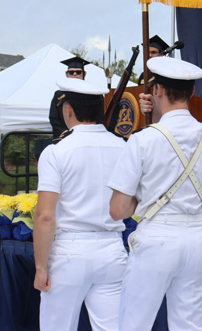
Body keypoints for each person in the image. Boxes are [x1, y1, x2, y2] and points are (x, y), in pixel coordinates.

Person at [108, 57, 202, 331]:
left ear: (157, 90)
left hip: (157, 236)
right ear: (192, 92)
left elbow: (118, 209)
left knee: (134, 324)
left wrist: (143, 198)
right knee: (190, 325)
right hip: (197, 235)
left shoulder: (142, 139)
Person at [34, 78, 127, 330]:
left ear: (68, 110)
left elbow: (45, 216)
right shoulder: (123, 147)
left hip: (70, 251)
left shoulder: (57, 152)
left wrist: (41, 267)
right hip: (112, 249)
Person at [48, 55, 90, 139]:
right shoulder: (59, 95)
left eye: (78, 72)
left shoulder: (91, 94)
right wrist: (64, 132)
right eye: (71, 72)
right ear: (66, 74)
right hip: (64, 136)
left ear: (84, 74)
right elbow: (53, 117)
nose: (74, 74)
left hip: (86, 136)